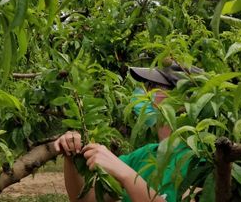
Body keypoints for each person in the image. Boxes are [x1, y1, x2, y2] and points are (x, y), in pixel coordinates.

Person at [54, 65, 198, 202]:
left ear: (184, 98)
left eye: (153, 87)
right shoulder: (143, 156)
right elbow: (86, 200)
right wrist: (71, 157)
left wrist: (127, 175)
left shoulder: (202, 162)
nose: (145, 93)